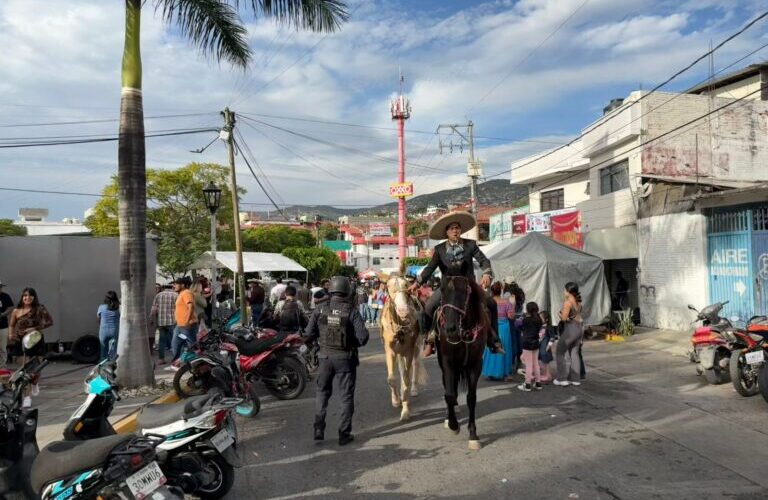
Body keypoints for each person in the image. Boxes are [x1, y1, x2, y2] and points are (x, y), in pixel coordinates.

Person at [408, 211, 504, 357]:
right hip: (448, 287)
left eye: (457, 228)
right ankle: (430, 340)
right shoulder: (439, 249)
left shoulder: (470, 245)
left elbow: (484, 261)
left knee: (491, 303)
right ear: (446, 232)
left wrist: (486, 273)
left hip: (468, 285)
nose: (455, 230)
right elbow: (430, 268)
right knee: (428, 307)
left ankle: (494, 340)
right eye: (452, 228)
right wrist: (418, 283)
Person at [304, 276, 369, 446]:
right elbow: (363, 338)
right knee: (346, 397)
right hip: (345, 360)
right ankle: (344, 435)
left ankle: (318, 429)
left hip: (324, 359)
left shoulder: (319, 309)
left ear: (330, 290)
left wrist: (319, 343)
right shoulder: (351, 311)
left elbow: (308, 334)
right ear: (347, 291)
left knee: (322, 393)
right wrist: (349, 343)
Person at [9, 287, 53, 407]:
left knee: (36, 369)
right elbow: (12, 325)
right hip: (21, 343)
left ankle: (35, 383)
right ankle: (27, 397)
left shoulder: (39, 308)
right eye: (25, 296)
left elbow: (49, 321)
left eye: (30, 296)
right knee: (24, 371)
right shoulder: (16, 311)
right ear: (22, 297)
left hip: (36, 341)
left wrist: (34, 328)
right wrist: (11, 334)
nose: (27, 298)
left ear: (34, 297)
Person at [481, 282, 514, 381]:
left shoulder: (488, 302)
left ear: (492, 291)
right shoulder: (506, 302)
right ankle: (505, 374)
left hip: (491, 326)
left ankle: (490, 372)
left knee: (491, 346)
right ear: (501, 291)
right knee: (505, 347)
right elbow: (510, 316)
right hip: (504, 327)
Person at [554, 282, 584, 387]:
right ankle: (575, 379)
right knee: (574, 354)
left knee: (559, 352)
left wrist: (559, 314)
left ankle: (561, 378)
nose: (564, 292)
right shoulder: (578, 302)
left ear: (568, 291)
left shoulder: (568, 302)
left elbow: (564, 318)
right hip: (579, 328)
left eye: (565, 290)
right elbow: (576, 316)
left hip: (570, 329)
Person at [517, 302, 545, 392]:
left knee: (528, 364)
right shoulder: (539, 320)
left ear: (528, 310)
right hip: (535, 342)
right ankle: (538, 383)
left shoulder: (525, 320)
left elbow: (517, 325)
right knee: (535, 363)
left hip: (527, 342)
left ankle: (527, 384)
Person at [171, 277, 197, 363]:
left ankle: (194, 362)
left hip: (187, 325)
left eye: (176, 284)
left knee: (191, 345)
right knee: (176, 344)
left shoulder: (186, 293)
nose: (174, 286)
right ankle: (178, 361)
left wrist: (187, 321)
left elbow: (190, 306)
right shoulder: (181, 294)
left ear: (182, 285)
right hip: (180, 325)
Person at [150, 283, 177, 364]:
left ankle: (161, 359)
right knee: (175, 340)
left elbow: (154, 309)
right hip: (172, 321)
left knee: (161, 341)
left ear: (163, 288)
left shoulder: (158, 295)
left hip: (161, 322)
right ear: (172, 287)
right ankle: (175, 359)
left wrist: (151, 318)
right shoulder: (176, 295)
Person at [97, 291, 120, 361]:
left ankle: (103, 367)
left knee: (103, 351)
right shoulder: (118, 308)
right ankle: (112, 366)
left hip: (103, 330)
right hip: (114, 330)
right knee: (113, 351)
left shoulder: (101, 307)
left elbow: (99, 319)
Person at [538, 310, 556, 383]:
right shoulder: (541, 326)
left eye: (541, 318)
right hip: (541, 348)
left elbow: (552, 337)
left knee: (546, 362)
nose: (539, 320)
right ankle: (545, 374)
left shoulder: (549, 327)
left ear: (546, 319)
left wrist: (548, 346)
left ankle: (548, 376)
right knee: (542, 362)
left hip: (545, 348)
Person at [0, 280, 14, 369]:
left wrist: (3, 314)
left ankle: (2, 366)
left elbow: (11, 307)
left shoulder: (5, 296)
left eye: (1, 287)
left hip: (2, 326)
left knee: (2, 347)